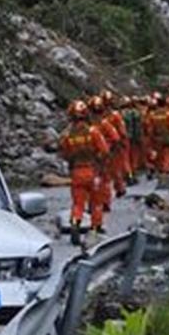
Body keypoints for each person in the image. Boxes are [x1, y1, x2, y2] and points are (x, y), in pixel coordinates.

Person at [59, 100, 110, 245]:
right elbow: (105, 151)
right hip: (92, 171)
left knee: (78, 204)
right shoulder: (93, 131)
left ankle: (75, 222)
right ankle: (95, 227)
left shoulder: (68, 136)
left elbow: (64, 153)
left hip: (76, 172)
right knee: (96, 202)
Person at [87, 96, 120, 215]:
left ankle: (104, 203)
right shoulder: (88, 125)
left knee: (103, 178)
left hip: (103, 155)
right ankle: (95, 203)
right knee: (94, 179)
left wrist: (107, 149)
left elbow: (115, 138)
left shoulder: (104, 124)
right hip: (91, 155)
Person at [146, 93, 169, 180]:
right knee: (167, 155)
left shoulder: (152, 115)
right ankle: (166, 171)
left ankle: (160, 170)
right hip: (168, 138)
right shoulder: (168, 114)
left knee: (159, 155)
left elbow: (150, 129)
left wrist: (151, 138)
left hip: (157, 139)